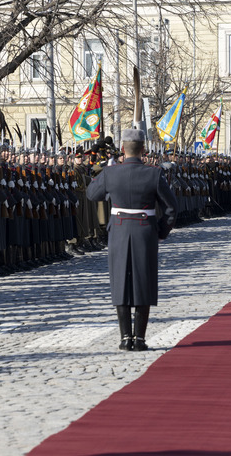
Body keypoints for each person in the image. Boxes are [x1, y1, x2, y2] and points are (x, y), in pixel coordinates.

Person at [86, 128, 177, 352]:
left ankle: (125, 337)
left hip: (118, 229)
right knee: (143, 281)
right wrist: (161, 231)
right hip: (145, 230)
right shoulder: (154, 174)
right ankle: (141, 338)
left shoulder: (111, 173)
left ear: (123, 150)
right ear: (143, 150)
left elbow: (91, 194)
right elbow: (172, 208)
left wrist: (105, 174)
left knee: (121, 281)